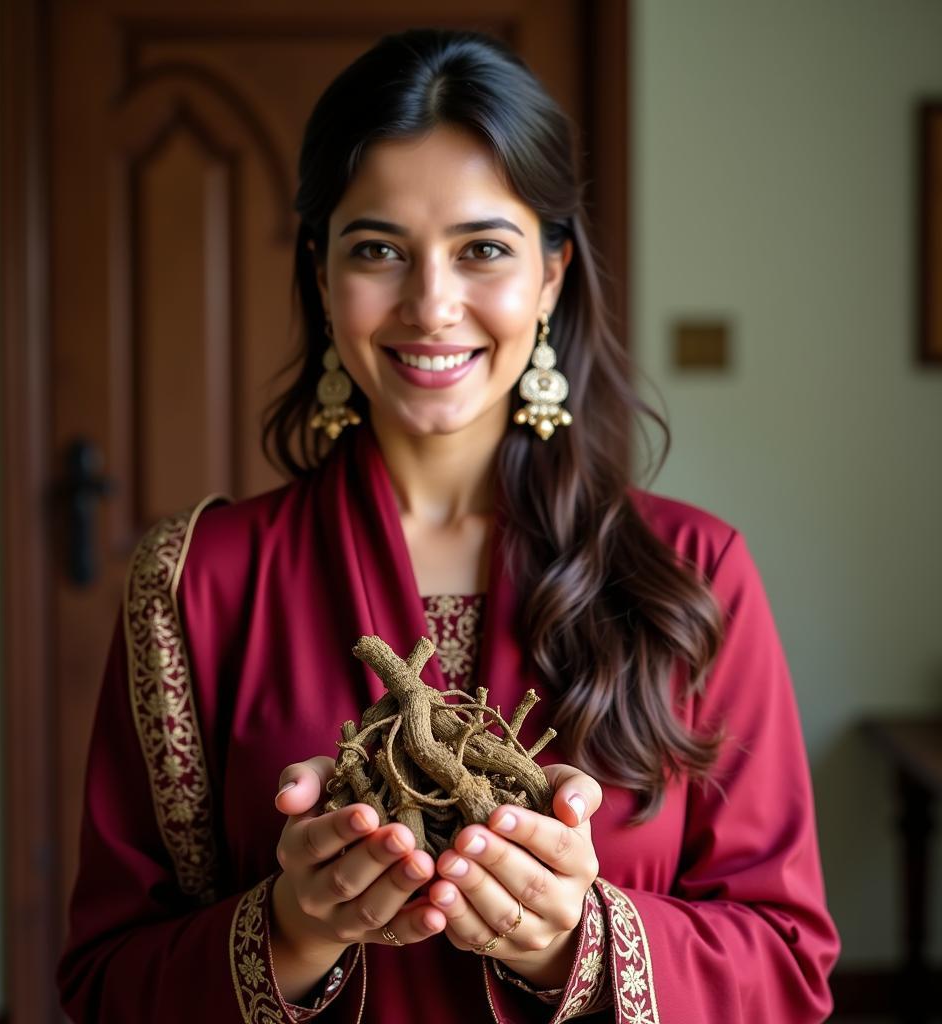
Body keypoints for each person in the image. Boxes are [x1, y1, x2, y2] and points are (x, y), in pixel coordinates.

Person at [57, 28, 839, 1023]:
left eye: (483, 250)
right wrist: (293, 929)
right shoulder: (194, 582)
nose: (431, 304)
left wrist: (574, 941)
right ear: (320, 271)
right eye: (378, 248)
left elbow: (786, 967)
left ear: (552, 272)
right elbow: (103, 983)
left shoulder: (693, 570)